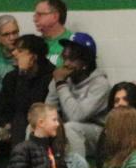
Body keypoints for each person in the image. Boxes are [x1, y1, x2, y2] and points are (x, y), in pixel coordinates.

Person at [45, 32, 108, 160]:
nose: (66, 64)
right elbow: (47, 110)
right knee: (38, 124)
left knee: (71, 128)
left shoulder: (100, 84)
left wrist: (61, 84)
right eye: (65, 58)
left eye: (72, 59)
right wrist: (57, 83)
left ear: (86, 62)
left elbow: (76, 116)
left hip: (98, 135)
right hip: (71, 129)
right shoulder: (62, 78)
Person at [0, 35, 55, 149]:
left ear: (34, 57)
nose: (14, 53)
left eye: (20, 51)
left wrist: (23, 75)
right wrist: (6, 124)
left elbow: (28, 107)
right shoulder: (11, 77)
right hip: (13, 125)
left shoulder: (50, 76)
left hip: (40, 123)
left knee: (20, 119)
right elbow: (3, 107)